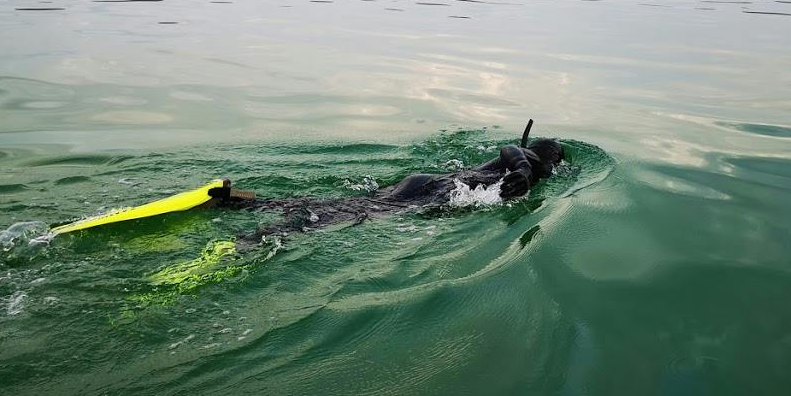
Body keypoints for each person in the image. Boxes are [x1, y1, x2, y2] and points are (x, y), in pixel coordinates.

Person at [209, 123, 564, 245]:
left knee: (338, 204)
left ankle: (239, 197)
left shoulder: (525, 168)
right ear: (550, 159)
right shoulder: (532, 163)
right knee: (342, 216)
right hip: (435, 191)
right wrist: (524, 168)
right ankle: (263, 238)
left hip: (421, 183)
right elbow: (512, 149)